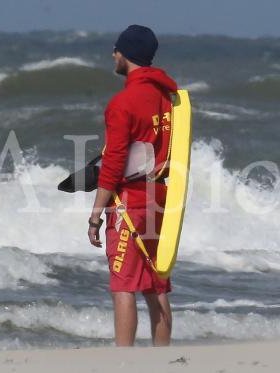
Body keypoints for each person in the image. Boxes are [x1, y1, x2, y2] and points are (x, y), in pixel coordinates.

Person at [87, 25, 178, 347]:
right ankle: (162, 360)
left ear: (125, 53)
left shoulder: (123, 102)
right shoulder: (168, 98)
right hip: (162, 196)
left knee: (124, 285)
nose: (113, 54)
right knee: (156, 283)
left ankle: (122, 362)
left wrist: (95, 215)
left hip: (130, 202)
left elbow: (113, 164)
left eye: (116, 49)